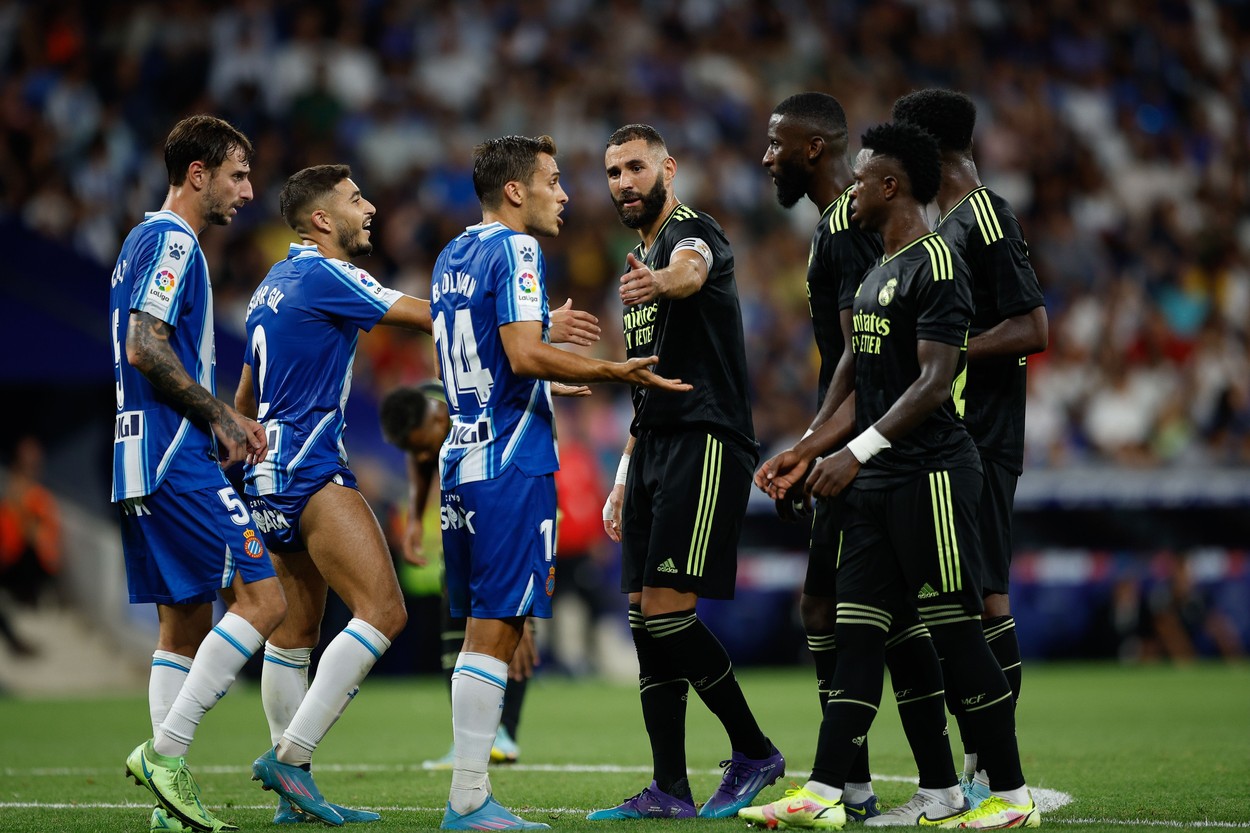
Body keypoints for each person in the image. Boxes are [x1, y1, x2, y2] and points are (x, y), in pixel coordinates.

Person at [745, 121, 1039, 830]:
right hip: (878, 477)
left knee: (956, 633)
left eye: (864, 173)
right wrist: (809, 448)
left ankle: (1013, 794)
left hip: (933, 473)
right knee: (857, 633)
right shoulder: (879, 269)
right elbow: (861, 385)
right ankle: (822, 792)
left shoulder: (939, 264)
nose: (852, 184)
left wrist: (857, 451)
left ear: (889, 184)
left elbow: (937, 383)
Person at [432, 133, 690, 831]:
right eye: (553, 180)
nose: (566, 193)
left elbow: (491, 357)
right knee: (494, 634)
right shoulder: (517, 249)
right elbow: (520, 355)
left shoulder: (453, 253)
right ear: (516, 191)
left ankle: (469, 792)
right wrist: (614, 369)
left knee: (485, 631)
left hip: (464, 456)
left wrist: (547, 336)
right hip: (512, 463)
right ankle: (468, 802)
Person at [761, 93, 957, 827]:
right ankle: (907, 782)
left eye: (776, 142)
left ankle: (852, 784)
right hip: (855, 440)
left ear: (813, 148)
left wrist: (821, 449)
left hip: (867, 444)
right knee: (880, 609)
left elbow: (860, 358)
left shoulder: (849, 223)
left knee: (847, 606)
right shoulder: (839, 220)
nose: (765, 156)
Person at [594, 124, 783, 821]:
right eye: (613, 172)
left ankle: (754, 749)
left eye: (636, 167)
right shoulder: (635, 262)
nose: (624, 182)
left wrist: (660, 280)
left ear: (668, 168)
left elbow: (693, 271)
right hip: (655, 447)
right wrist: (622, 474)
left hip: (707, 439)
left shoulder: (690, 234)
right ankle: (668, 787)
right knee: (646, 620)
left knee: (671, 615)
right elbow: (646, 387)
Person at [111, 114, 286, 833]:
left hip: (135, 453)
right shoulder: (175, 240)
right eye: (237, 175)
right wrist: (221, 414)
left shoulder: (135, 242)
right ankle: (167, 753)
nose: (247, 190)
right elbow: (144, 345)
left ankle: (168, 810)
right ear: (197, 173)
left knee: (183, 622)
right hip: (173, 448)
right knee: (264, 599)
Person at [891, 88, 1049, 806]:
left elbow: (1031, 327)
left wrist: (947, 352)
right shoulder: (945, 222)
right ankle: (982, 764)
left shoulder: (985, 216)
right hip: (951, 436)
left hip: (983, 436)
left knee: (983, 600)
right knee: (959, 599)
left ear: (928, 148)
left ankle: (991, 768)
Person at [0, 436, 61, 608]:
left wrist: (22, 509)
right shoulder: (8, 499)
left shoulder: (40, 500)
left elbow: (45, 547)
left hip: (32, 570)